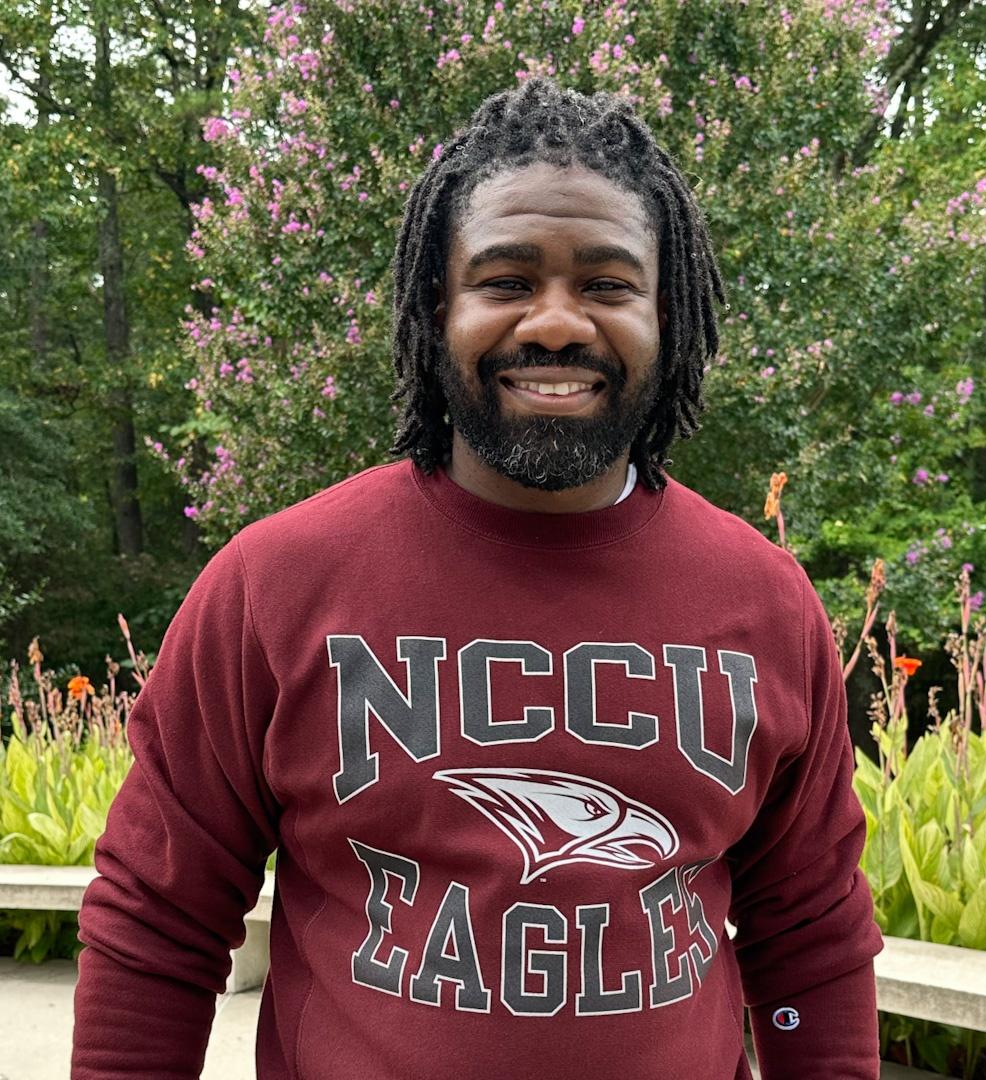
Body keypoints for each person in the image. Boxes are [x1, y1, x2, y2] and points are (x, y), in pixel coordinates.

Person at [72, 77, 884, 1079]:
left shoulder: (764, 603)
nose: (556, 323)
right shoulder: (274, 585)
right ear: (436, 305)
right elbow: (158, 918)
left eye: (607, 284)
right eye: (505, 280)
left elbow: (809, 933)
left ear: (667, 316)